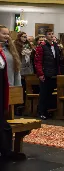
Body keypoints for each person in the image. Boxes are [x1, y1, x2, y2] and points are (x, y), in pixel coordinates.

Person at [0, 25, 26, 162]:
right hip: (2, 86)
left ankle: (7, 150)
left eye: (7, 34)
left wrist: (17, 86)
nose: (7, 36)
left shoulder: (10, 49)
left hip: (8, 86)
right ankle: (6, 151)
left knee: (4, 122)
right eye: (3, 33)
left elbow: (16, 68)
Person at [34, 28, 60, 120]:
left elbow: (57, 60)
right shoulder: (42, 46)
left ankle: (47, 111)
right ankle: (41, 112)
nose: (51, 35)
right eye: (49, 34)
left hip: (53, 73)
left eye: (52, 34)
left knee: (50, 94)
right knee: (43, 94)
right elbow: (38, 62)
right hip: (45, 73)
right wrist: (40, 74)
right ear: (45, 36)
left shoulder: (55, 46)